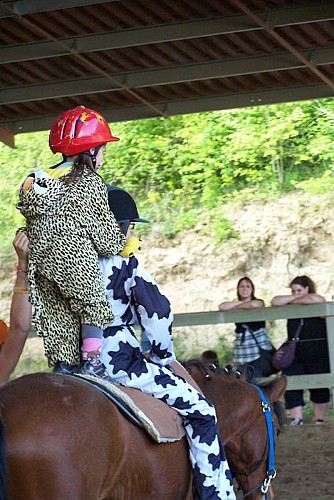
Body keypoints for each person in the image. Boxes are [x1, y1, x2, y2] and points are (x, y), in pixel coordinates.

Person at [1, 190, 236, 499]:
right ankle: (215, 494)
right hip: (121, 364)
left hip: (67, 366)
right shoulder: (126, 264)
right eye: (130, 227)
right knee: (203, 411)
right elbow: (158, 314)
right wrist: (161, 354)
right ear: (120, 228)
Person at [16, 106, 126, 377]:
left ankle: (64, 365)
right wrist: (123, 241)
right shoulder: (89, 183)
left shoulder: (41, 183)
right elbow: (105, 239)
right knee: (93, 305)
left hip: (42, 265)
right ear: (90, 150)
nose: (103, 157)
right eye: (102, 150)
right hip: (75, 261)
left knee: (58, 313)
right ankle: (92, 362)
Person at [271, 275, 330, 425]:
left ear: (307, 289)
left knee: (319, 386)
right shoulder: (292, 303)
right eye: (293, 291)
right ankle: (297, 419)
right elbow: (275, 301)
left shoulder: (316, 301)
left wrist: (293, 300)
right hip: (295, 354)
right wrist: (294, 299)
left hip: (318, 352)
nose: (295, 293)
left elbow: (316, 299)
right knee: (290, 382)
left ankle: (320, 420)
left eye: (299, 290)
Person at [218, 277, 273, 378]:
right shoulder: (235, 304)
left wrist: (235, 306)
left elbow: (253, 304)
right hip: (242, 352)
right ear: (238, 289)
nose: (245, 289)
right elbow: (222, 306)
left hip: (257, 351)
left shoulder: (259, 302)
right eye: (242, 286)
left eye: (248, 286)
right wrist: (240, 303)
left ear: (252, 289)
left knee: (258, 381)